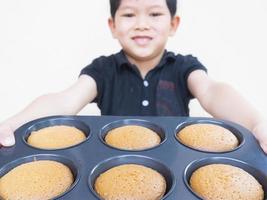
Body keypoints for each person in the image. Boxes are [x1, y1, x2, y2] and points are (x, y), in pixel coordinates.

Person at [0, 0, 266, 153]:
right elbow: (65, 100)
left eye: (154, 13)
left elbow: (213, 92)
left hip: (174, 166)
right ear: (113, 26)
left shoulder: (183, 67)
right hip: (113, 163)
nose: (141, 23)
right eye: (129, 14)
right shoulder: (104, 70)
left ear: (173, 25)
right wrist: (14, 123)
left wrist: (257, 122)